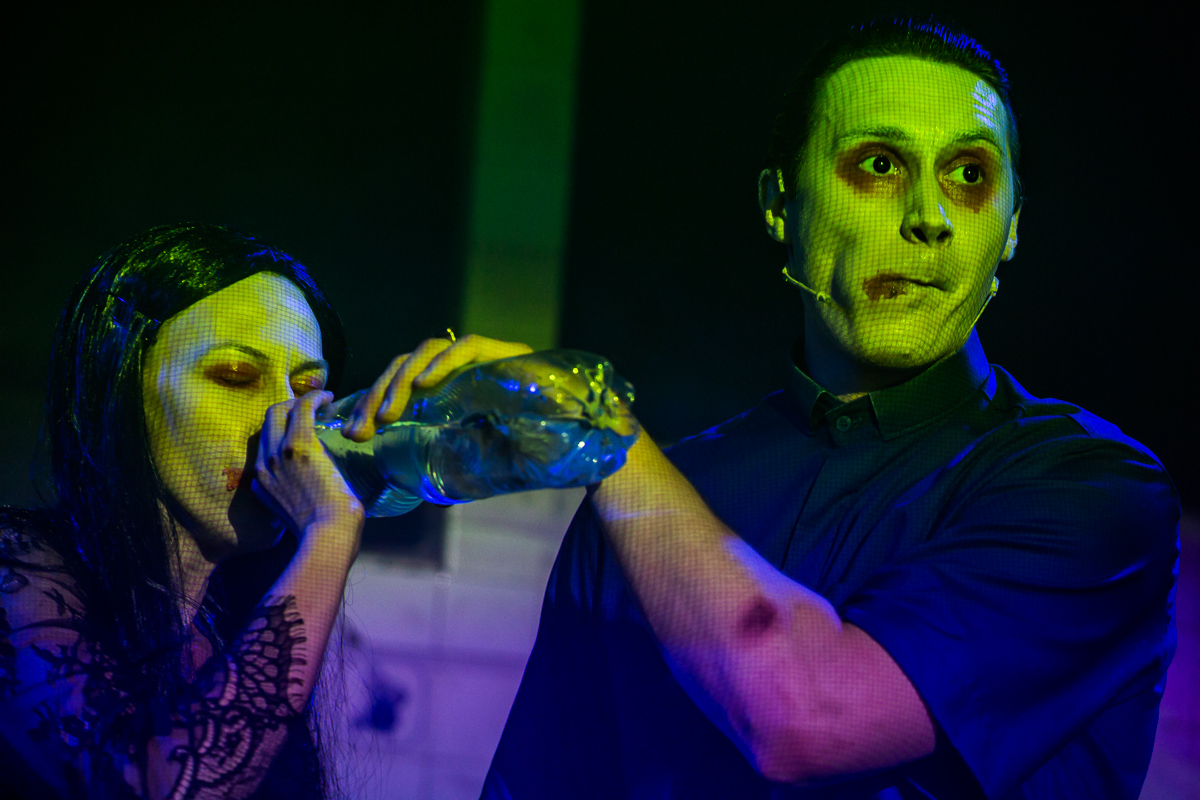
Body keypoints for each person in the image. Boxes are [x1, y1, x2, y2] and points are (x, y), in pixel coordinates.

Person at [475, 17, 1182, 799]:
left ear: (1011, 228)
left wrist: (605, 436)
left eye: (968, 174)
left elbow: (806, 715)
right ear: (780, 204)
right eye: (879, 164)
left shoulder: (1094, 493)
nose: (929, 217)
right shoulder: (647, 499)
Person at [0, 222, 532, 799]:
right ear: (123, 391)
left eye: (306, 390)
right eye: (235, 377)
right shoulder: (17, 567)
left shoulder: (231, 629)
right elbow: (153, 786)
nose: (285, 421)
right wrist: (330, 533)